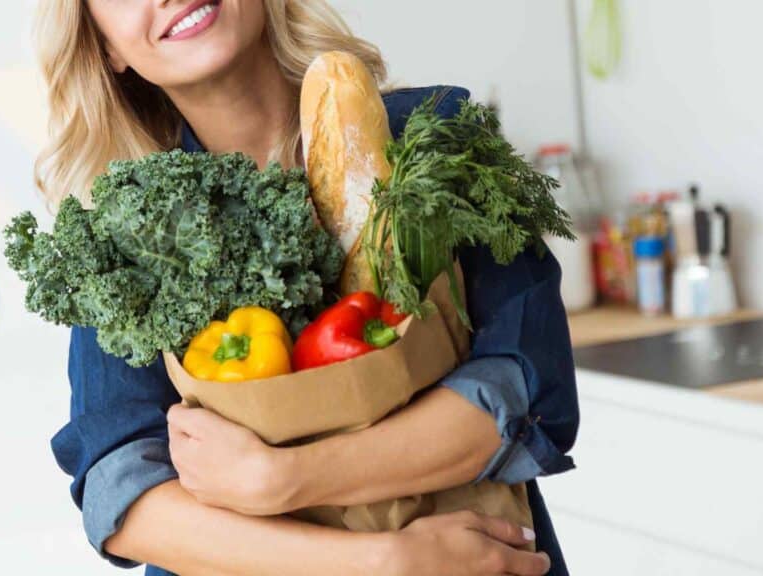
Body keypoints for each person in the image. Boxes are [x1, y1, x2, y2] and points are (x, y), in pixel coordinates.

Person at [35, 1, 579, 575]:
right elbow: (124, 492)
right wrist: (383, 561)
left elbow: (525, 385)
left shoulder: (429, 134)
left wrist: (283, 478)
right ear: (107, 48)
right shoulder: (129, 234)